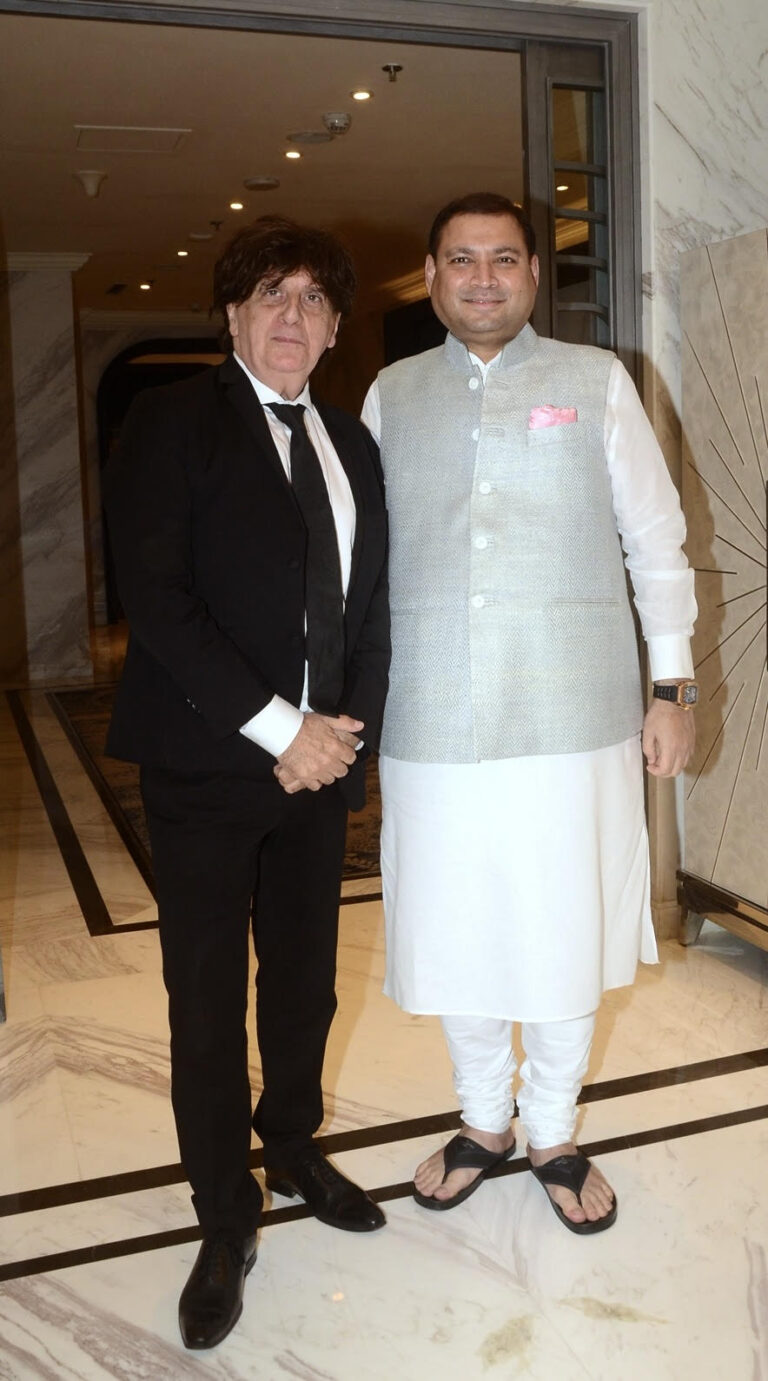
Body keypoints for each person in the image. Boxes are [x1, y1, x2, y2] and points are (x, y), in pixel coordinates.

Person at [362, 191, 696, 1234]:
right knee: (456, 925)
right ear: (430, 273)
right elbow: (351, 563)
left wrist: (673, 685)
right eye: (461, 260)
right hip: (426, 713)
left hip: (574, 713)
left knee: (561, 923)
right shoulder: (389, 392)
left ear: (534, 277)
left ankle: (552, 1127)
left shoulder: (594, 382)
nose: (483, 279)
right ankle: (483, 1120)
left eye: (504, 259)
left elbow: (656, 539)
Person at [104, 215, 390, 1349]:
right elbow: (158, 599)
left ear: (330, 332)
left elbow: (369, 603)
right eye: (270, 293)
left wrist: (348, 731)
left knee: (308, 983)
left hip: (324, 768)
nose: (292, 314)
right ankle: (226, 1213)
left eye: (315, 300)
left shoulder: (354, 443)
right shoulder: (170, 421)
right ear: (230, 313)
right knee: (209, 1000)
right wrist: (283, 727)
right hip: (210, 766)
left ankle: (296, 1144)